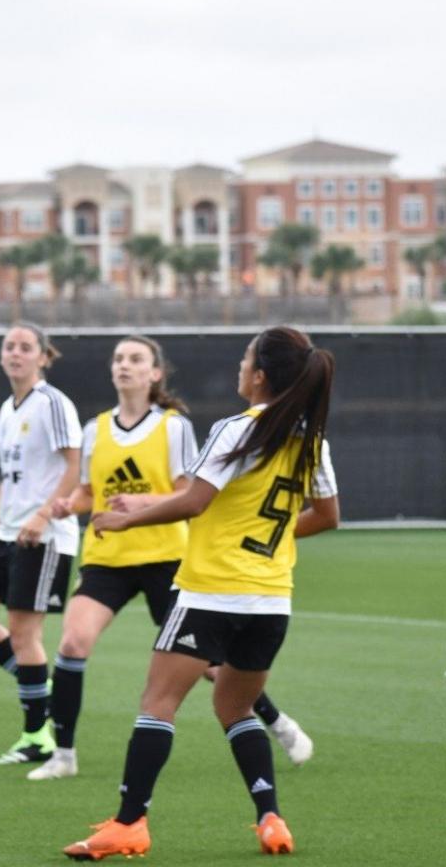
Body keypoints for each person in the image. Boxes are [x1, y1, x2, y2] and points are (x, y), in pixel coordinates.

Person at [62, 327, 339, 861]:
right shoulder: (312, 440)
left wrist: (128, 518)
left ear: (259, 375)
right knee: (234, 707)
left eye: (244, 360)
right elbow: (328, 516)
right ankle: (271, 819)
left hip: (211, 591)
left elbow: (193, 503)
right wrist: (269, 539)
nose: (239, 368)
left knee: (157, 703)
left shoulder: (237, 430)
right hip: (271, 600)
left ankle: (128, 823)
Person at [27, 336, 312, 782]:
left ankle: (276, 721)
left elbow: (191, 493)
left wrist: (139, 506)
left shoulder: (173, 426)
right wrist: (69, 505)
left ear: (155, 373)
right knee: (72, 643)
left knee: (212, 668)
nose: (125, 365)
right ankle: (63, 754)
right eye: (118, 357)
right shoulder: (94, 429)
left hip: (167, 557)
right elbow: (88, 492)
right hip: (108, 557)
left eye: (136, 358)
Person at [0, 322, 81, 765]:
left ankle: (36, 736)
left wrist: (44, 515)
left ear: (43, 356)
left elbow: (75, 466)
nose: (16, 353)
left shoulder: (53, 403)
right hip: (7, 534)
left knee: (26, 633)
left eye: (26, 347)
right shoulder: (8, 409)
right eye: (9, 346)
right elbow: (10, 480)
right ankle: (39, 693)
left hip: (44, 536)